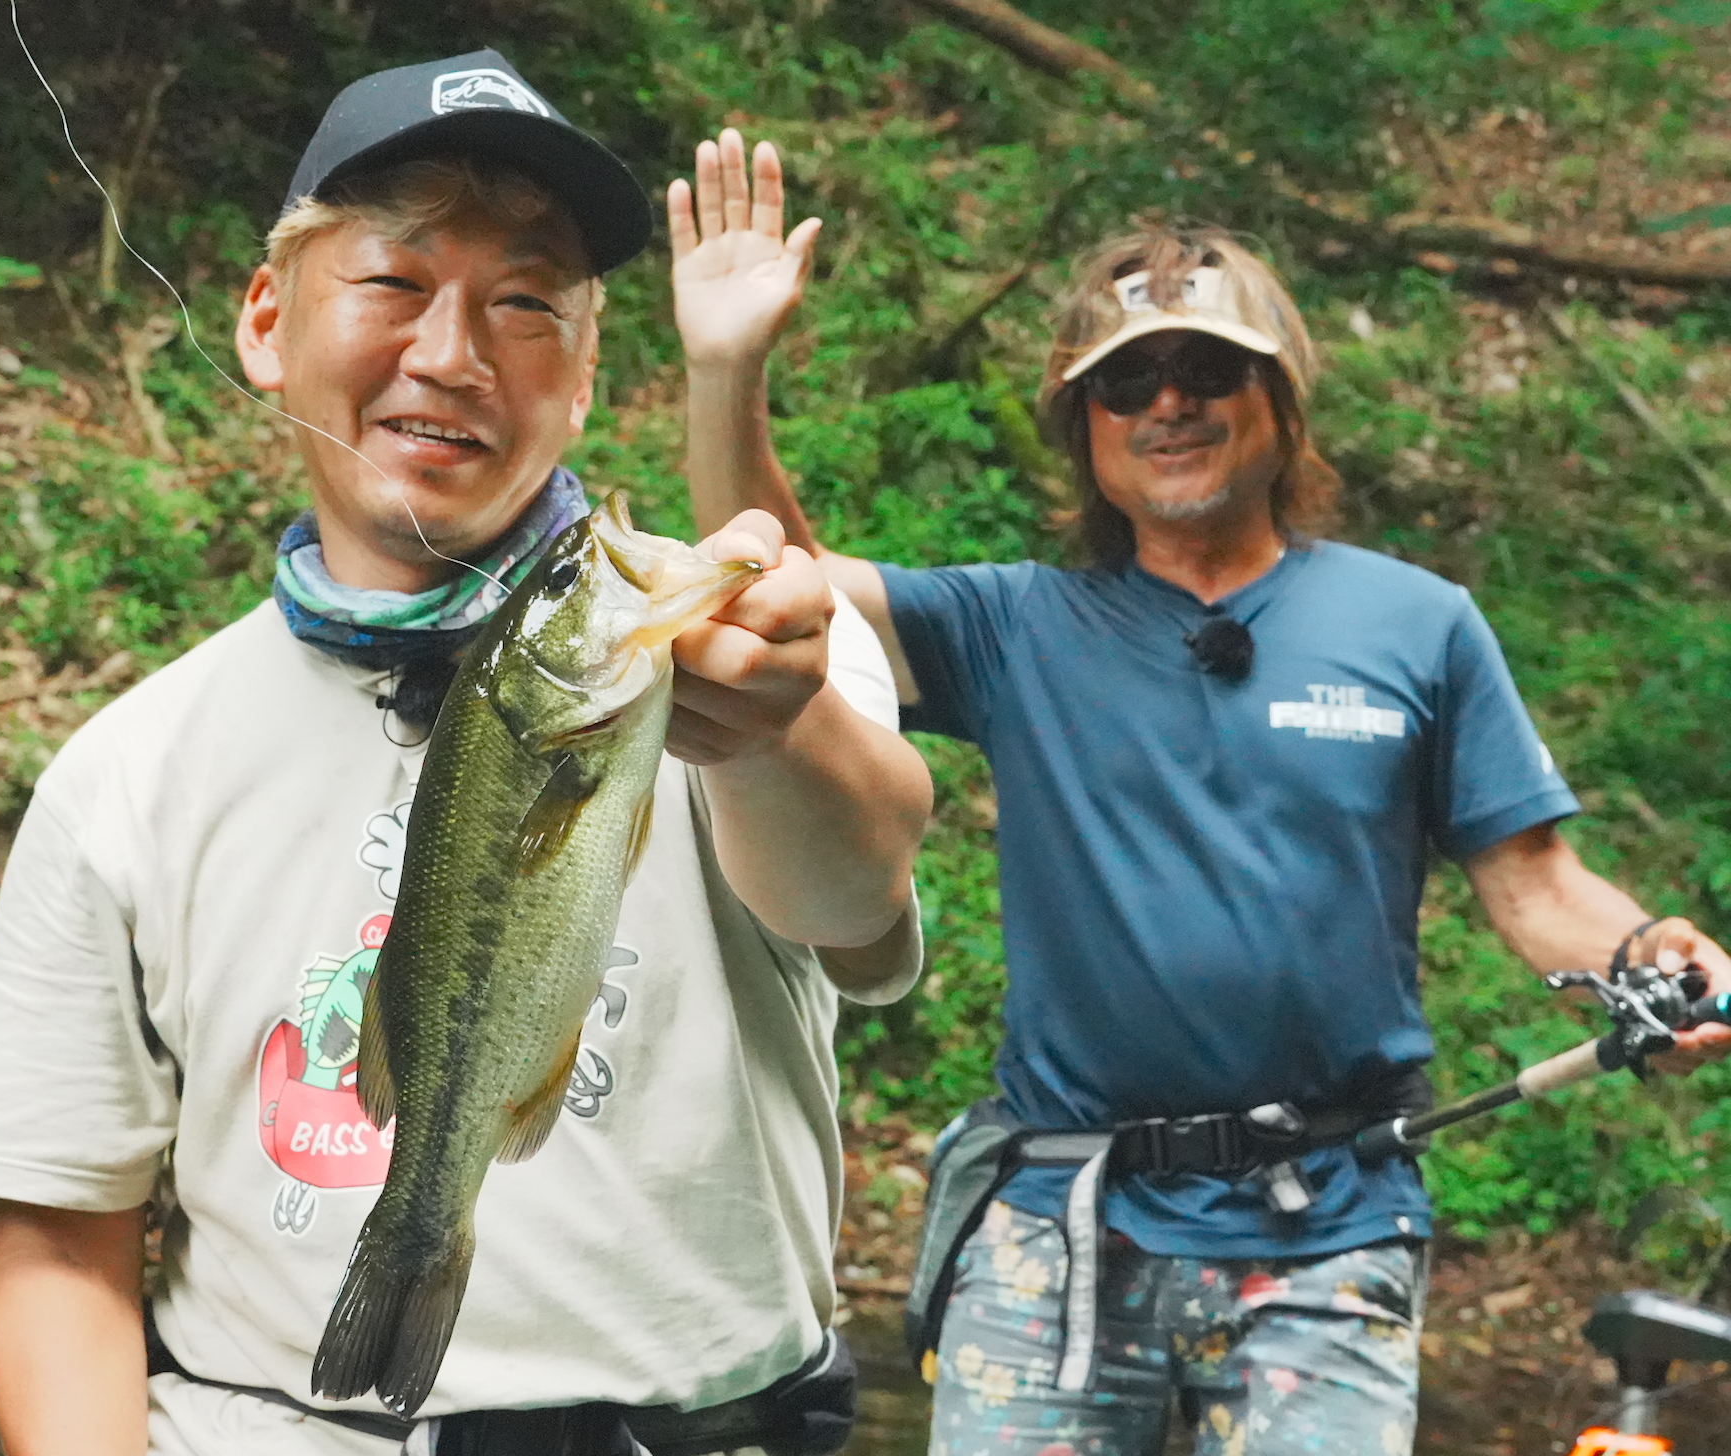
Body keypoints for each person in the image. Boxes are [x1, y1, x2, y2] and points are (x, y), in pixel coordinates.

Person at [666, 135, 1731, 1456]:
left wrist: (1647, 955)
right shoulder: (1015, 623)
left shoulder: (1418, 625)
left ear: (1279, 400)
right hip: (1057, 1219)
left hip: (1330, 1229)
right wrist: (726, 369)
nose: (1168, 403)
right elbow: (772, 588)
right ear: (1084, 428)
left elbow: (1538, 887)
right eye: (1127, 384)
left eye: (1206, 369)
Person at [0, 53, 932, 1456]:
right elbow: (57, 1250)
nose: (453, 354)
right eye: (396, 283)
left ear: (583, 378)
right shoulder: (125, 770)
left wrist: (774, 731)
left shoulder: (747, 648)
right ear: (270, 323)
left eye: (528, 304)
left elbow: (856, 896)